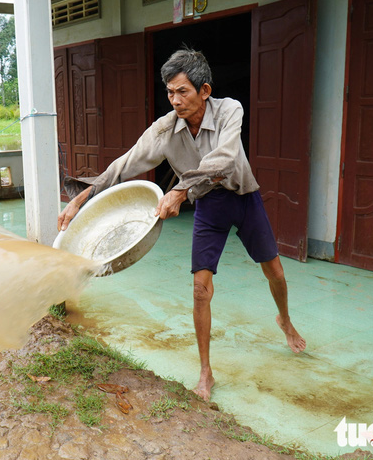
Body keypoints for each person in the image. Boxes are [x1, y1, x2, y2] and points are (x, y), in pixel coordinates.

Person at [57, 48, 306, 402]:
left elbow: (225, 158)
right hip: (209, 204)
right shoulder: (164, 129)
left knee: (276, 272)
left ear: (204, 90)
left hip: (244, 197)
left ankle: (284, 319)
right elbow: (124, 164)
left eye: (183, 91)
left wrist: (178, 190)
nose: (175, 100)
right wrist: (80, 199)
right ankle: (206, 370)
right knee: (200, 289)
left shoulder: (230, 109)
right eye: (170, 92)